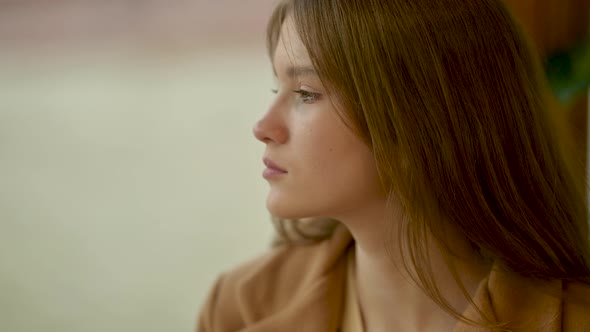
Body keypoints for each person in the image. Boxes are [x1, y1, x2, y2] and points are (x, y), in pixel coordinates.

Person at [198, 0, 590, 331]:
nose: (263, 127)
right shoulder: (240, 306)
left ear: (421, 122)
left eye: (305, 93)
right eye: (275, 88)